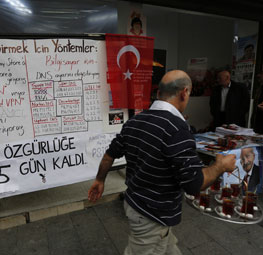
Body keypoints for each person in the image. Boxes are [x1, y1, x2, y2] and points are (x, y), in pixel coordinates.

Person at [88, 70, 236, 255]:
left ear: (159, 94)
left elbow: (109, 155)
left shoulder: (134, 121)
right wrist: (220, 166)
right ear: (184, 93)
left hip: (136, 204)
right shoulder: (177, 128)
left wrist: (100, 180)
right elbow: (194, 185)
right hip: (152, 216)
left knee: (170, 248)